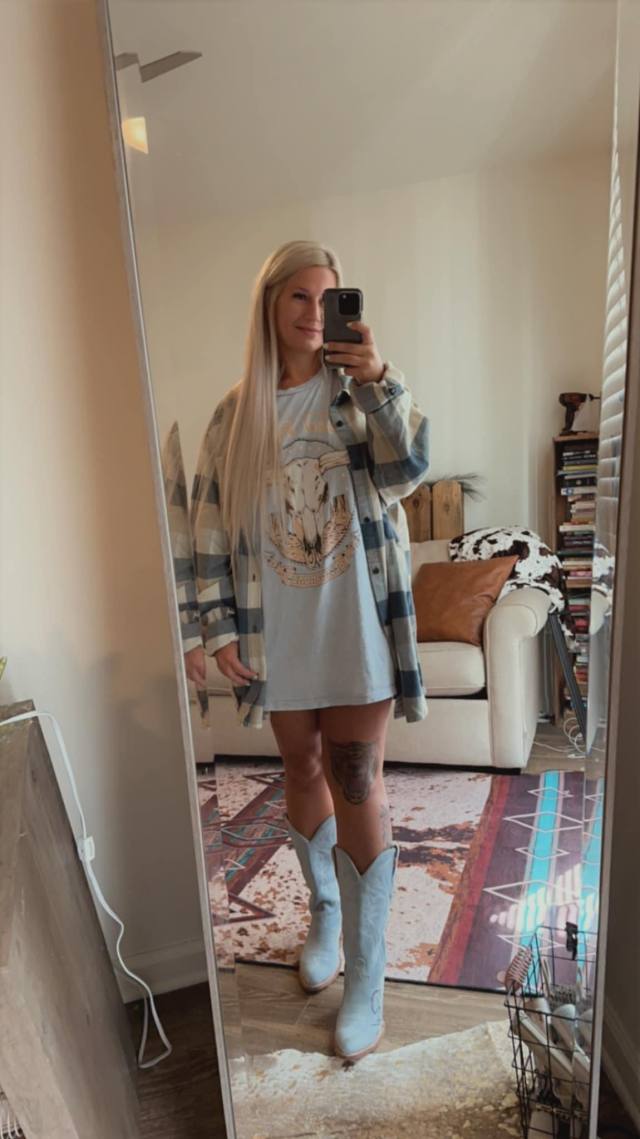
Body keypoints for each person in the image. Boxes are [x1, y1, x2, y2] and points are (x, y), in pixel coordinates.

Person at [184, 239, 429, 1061]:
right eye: (299, 295)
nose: (315, 312)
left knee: (357, 778)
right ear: (270, 303)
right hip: (277, 630)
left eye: (329, 298)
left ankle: (366, 977)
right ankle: (325, 909)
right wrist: (217, 627)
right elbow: (208, 528)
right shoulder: (234, 416)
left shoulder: (359, 390)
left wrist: (380, 379)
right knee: (300, 767)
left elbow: (411, 467)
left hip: (355, 621)